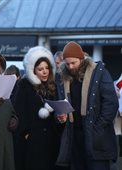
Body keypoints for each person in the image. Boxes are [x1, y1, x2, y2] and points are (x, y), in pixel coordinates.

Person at [56, 41, 118, 170]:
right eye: (67, 64)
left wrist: (97, 128)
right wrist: (61, 116)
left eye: (74, 63)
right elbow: (61, 104)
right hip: (75, 138)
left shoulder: (99, 73)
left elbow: (111, 104)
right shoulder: (63, 77)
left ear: (82, 59)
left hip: (97, 138)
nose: (71, 67)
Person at [13, 46, 65, 170]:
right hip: (32, 141)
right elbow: (19, 112)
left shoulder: (54, 86)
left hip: (52, 141)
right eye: (40, 69)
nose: (44, 71)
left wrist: (61, 119)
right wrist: (26, 133)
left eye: (47, 68)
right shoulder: (24, 86)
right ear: (33, 70)